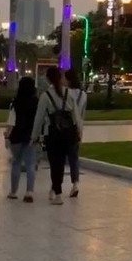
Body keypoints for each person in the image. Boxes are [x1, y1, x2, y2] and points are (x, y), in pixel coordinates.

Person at [32, 66, 83, 204]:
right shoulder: (69, 93)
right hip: (69, 134)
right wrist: (79, 131)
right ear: (60, 78)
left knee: (56, 164)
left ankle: (58, 193)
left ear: (48, 78)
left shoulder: (45, 96)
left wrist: (34, 136)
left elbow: (39, 118)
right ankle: (57, 190)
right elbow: (76, 115)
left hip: (53, 134)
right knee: (66, 161)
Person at [6, 77, 38, 202]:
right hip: (31, 136)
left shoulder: (15, 102)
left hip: (16, 136)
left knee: (16, 162)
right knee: (30, 164)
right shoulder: (36, 102)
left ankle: (13, 191)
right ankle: (29, 192)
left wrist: (8, 135)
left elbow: (11, 120)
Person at [65, 70, 88, 198]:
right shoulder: (84, 95)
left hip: (65, 127)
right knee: (74, 158)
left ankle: (54, 187)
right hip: (77, 128)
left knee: (59, 157)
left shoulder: (66, 93)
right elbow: (83, 114)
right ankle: (75, 184)